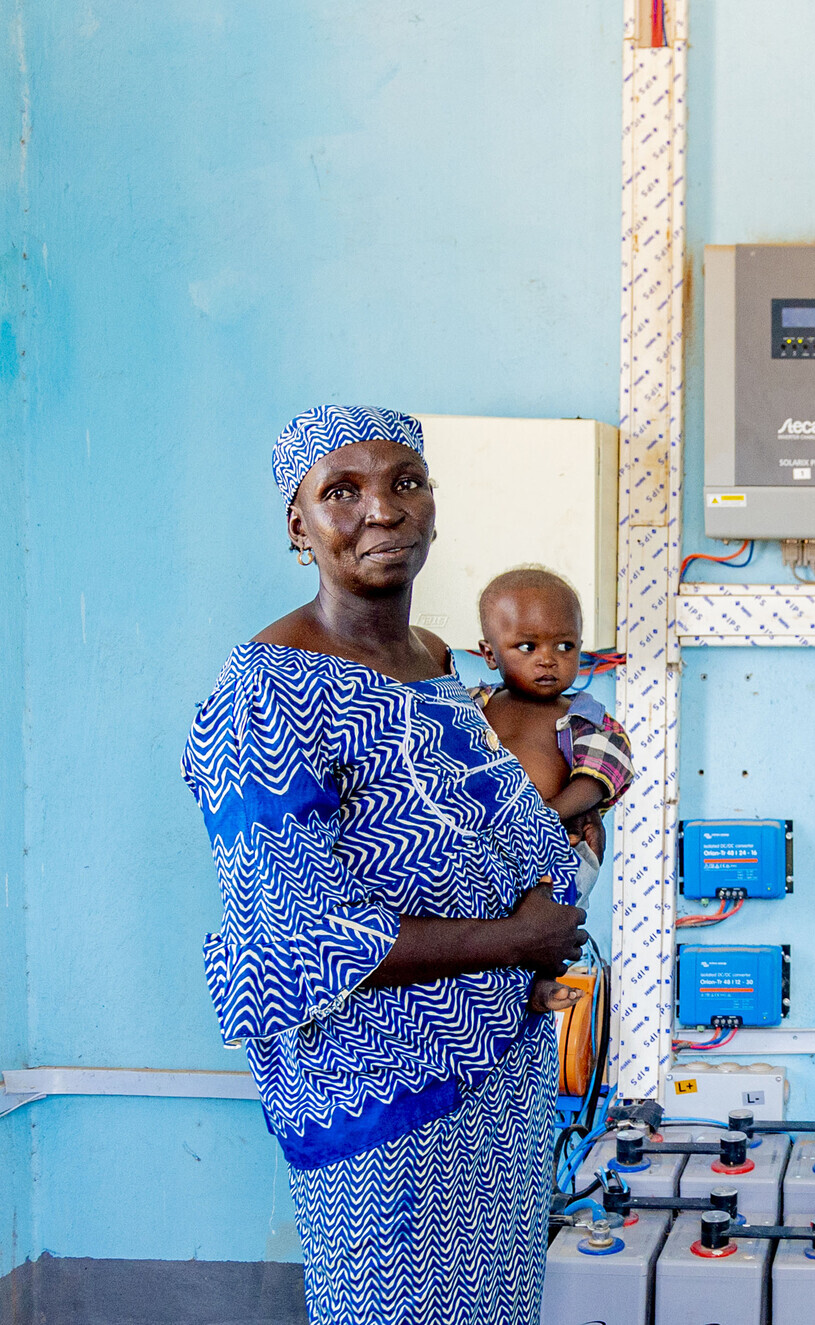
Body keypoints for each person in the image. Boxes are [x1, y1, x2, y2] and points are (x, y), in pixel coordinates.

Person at [183, 406, 589, 1325]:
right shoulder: (266, 693)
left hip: (497, 1084)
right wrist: (517, 937)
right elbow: (296, 938)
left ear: (435, 507)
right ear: (299, 526)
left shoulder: (438, 664)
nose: (382, 510)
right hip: (383, 1105)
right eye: (343, 491)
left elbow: (484, 836)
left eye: (405, 482)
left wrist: (556, 890)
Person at [469, 566, 633, 905]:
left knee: (542, 922)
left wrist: (542, 816)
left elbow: (599, 778)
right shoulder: (470, 705)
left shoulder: (584, 717)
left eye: (564, 645)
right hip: (476, 846)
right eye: (528, 646)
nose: (548, 659)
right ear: (489, 654)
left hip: (551, 849)